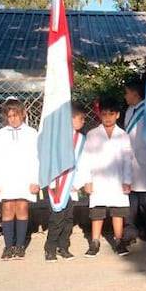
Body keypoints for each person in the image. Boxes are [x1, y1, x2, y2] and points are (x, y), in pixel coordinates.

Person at [76, 97, 132, 257]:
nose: (107, 117)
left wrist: (127, 181)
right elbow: (85, 158)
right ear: (100, 115)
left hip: (117, 180)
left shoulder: (123, 135)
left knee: (118, 211)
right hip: (98, 180)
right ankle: (95, 242)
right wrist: (87, 180)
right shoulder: (93, 134)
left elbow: (128, 159)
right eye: (104, 114)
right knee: (97, 212)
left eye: (111, 114)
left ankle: (119, 241)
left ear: (117, 115)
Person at [0, 98, 40, 261]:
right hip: (6, 178)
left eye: (16, 115)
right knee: (8, 209)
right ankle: (8, 245)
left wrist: (36, 180)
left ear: (23, 114)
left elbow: (37, 158)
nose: (13, 119)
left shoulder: (32, 133)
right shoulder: (1, 134)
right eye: (10, 116)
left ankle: (20, 245)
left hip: (25, 178)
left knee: (22, 209)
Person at [43, 102, 87, 262]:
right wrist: (52, 182)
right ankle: (50, 248)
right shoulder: (56, 137)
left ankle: (64, 247)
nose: (83, 122)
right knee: (56, 218)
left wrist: (80, 182)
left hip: (71, 185)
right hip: (57, 185)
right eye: (81, 118)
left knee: (68, 219)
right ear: (70, 118)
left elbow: (83, 162)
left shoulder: (81, 139)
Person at [122, 78, 146, 247]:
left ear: (135, 93)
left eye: (127, 93)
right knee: (132, 201)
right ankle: (130, 232)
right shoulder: (129, 111)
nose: (125, 96)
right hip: (130, 160)